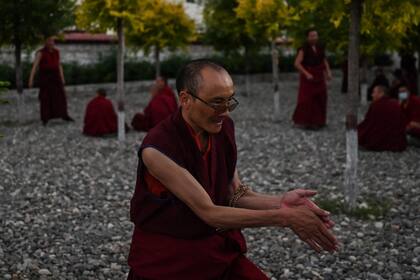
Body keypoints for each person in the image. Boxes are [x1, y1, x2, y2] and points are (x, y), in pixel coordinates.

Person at [128, 60, 338, 280]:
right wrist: (284, 217)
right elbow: (209, 212)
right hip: (170, 259)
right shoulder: (158, 148)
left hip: (214, 250)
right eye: (217, 102)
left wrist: (281, 201)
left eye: (229, 101)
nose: (225, 111)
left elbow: (235, 194)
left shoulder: (222, 128)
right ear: (185, 99)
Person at [292, 28, 332, 129]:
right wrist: (306, 74)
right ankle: (307, 122)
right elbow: (297, 64)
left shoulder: (320, 46)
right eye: (312, 36)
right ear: (307, 37)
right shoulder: (303, 48)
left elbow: (324, 60)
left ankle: (320, 121)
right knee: (307, 100)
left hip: (319, 75)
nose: (314, 38)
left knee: (321, 97)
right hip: (308, 78)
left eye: (315, 35)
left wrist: (328, 72)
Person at [28, 36, 73, 125]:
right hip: (45, 78)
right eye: (49, 41)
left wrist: (62, 77)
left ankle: (64, 115)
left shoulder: (57, 52)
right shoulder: (40, 53)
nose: (51, 43)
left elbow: (59, 65)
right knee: (45, 98)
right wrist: (31, 79)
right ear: (45, 42)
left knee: (61, 97)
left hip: (56, 78)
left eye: (52, 41)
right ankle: (45, 119)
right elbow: (35, 67)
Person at [358, 85, 407, 152]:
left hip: (380, 142)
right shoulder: (396, 104)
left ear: (381, 93)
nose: (372, 95)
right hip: (398, 142)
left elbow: (368, 124)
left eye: (374, 92)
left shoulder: (376, 106)